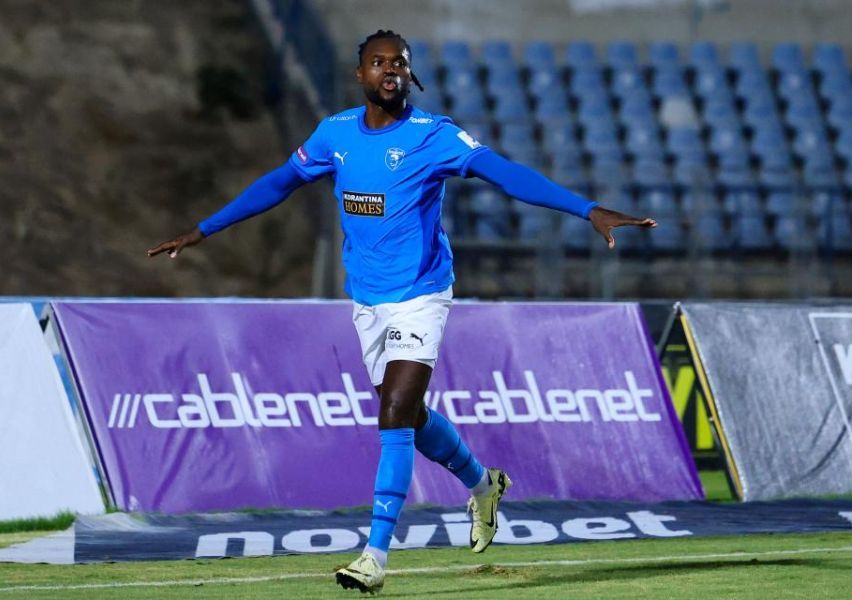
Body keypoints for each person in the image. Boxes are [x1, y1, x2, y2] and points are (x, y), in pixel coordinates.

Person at [148, 30, 656, 594]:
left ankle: (375, 555)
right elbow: (279, 183)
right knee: (410, 418)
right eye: (378, 62)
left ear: (410, 74)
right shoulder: (335, 134)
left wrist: (586, 209)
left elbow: (505, 173)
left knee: (393, 412)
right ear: (360, 73)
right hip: (368, 300)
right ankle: (483, 484)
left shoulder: (433, 136)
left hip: (421, 294)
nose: (390, 70)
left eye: (400, 62)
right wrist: (203, 229)